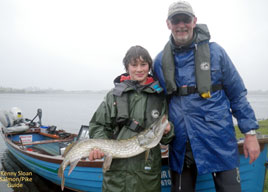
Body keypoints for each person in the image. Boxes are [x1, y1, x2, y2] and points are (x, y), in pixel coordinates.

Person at [153, 1, 260, 192]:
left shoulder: (216, 52)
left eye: (185, 19)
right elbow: (152, 99)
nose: (181, 25)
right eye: (175, 20)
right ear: (168, 24)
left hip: (218, 138)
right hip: (181, 143)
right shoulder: (160, 60)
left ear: (194, 21)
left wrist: (250, 134)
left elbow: (237, 94)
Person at [88, 45, 174, 192]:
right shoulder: (113, 95)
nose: (139, 69)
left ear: (149, 66)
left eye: (143, 64)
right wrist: (98, 147)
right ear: (127, 67)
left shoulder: (160, 97)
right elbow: (98, 125)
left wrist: (168, 131)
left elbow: (167, 139)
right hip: (116, 175)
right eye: (134, 65)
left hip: (147, 177)